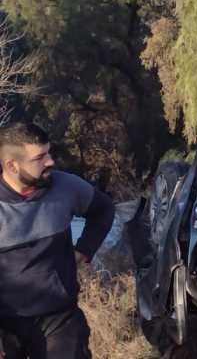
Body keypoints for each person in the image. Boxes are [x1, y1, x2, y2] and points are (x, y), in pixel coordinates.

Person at [0, 122, 114, 359]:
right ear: (11, 165)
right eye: (39, 158)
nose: (50, 161)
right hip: (6, 324)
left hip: (59, 318)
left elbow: (104, 210)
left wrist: (83, 250)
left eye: (48, 153)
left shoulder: (66, 186)